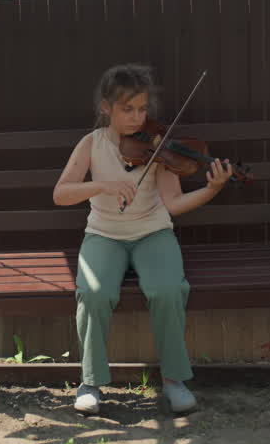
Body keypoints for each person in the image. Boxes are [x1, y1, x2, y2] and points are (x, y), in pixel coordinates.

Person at [52, 64, 233, 415]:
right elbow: (61, 193)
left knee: (167, 290)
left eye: (142, 109)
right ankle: (90, 381)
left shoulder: (157, 146)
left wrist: (212, 189)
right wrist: (103, 185)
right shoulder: (92, 143)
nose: (137, 118)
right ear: (106, 107)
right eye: (127, 109)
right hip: (104, 234)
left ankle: (173, 380)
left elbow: (175, 204)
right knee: (93, 292)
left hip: (153, 232)